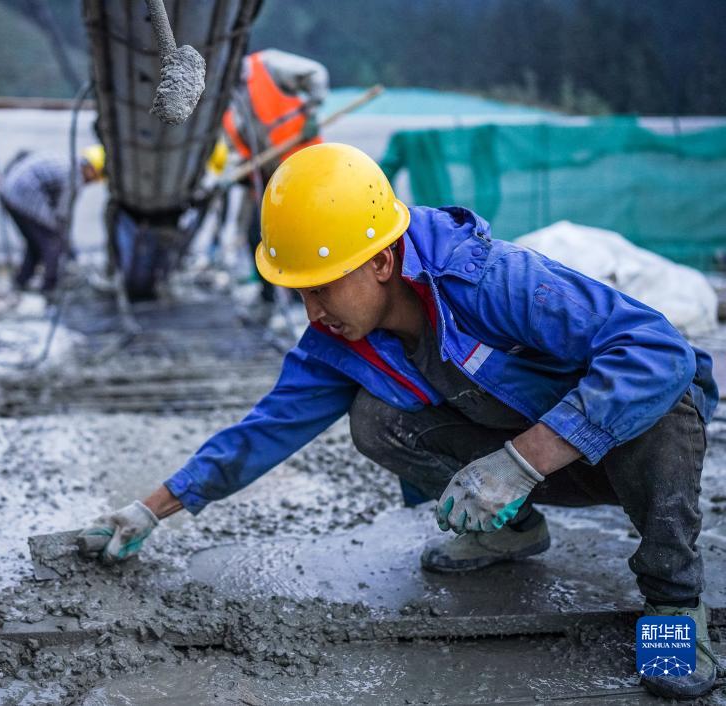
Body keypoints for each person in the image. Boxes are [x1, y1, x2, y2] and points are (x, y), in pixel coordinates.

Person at [78, 143, 722, 699]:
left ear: (382, 264)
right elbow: (261, 432)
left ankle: (671, 600)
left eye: (322, 287)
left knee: (662, 401)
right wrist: (150, 509)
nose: (312, 311)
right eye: (300, 292)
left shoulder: (488, 279)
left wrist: (522, 461)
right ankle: (512, 532)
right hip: (539, 467)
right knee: (376, 418)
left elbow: (659, 351)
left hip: (634, 451)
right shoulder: (340, 343)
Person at [222, 49, 328, 311]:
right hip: (266, 174)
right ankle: (269, 295)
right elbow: (237, 144)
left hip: (300, 165)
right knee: (255, 232)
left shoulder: (268, 65)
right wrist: (241, 173)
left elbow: (317, 74)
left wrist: (311, 113)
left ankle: (306, 294)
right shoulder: (223, 96)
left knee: (300, 232)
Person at [0, 145, 105, 294]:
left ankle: (21, 282)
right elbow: (62, 214)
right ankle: (49, 288)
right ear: (92, 169)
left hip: (10, 192)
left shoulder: (69, 165)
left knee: (36, 241)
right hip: (21, 196)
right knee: (52, 242)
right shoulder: (74, 178)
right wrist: (67, 244)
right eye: (97, 175)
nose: (94, 181)